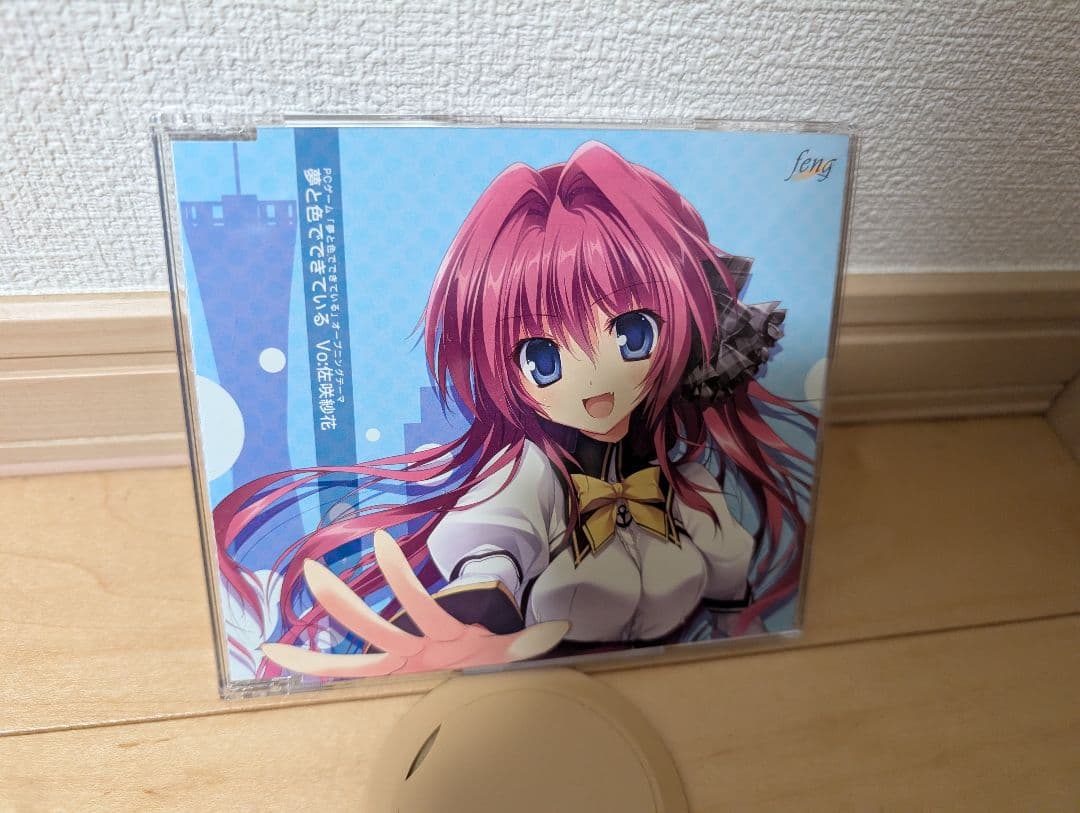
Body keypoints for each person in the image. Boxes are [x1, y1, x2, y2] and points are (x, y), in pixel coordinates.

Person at [216, 141, 816, 679]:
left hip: (679, 659)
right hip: (550, 673)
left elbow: (727, 569)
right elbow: (495, 544)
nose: (595, 389)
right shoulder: (532, 471)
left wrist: (740, 630)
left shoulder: (679, 472)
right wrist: (475, 613)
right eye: (543, 359)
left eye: (633, 334)